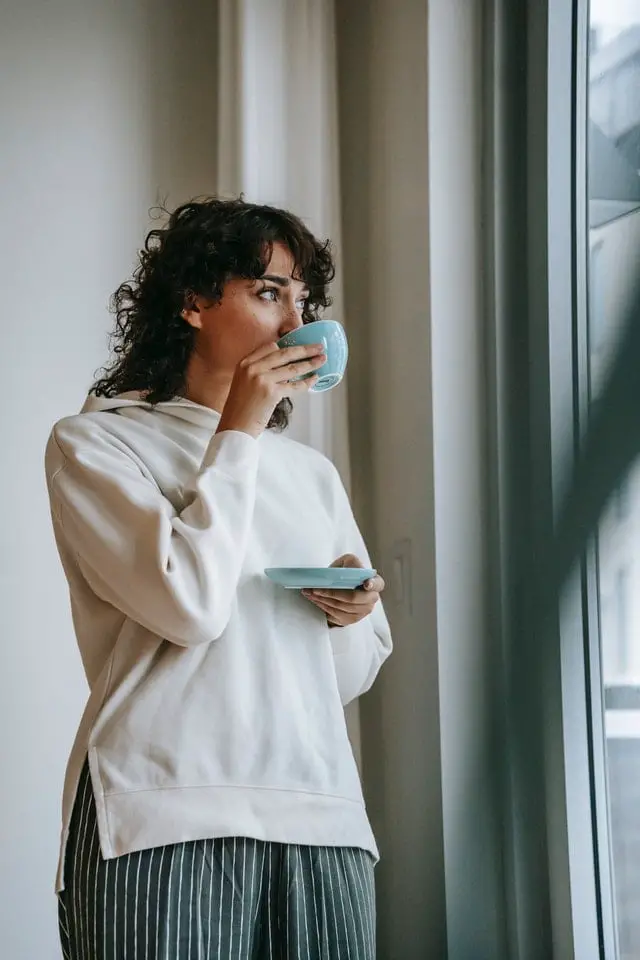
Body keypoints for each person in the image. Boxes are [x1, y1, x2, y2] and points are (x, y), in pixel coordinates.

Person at [45, 196, 392, 960]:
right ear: (193, 302)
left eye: (304, 300)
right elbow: (191, 609)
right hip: (162, 815)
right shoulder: (97, 445)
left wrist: (346, 616)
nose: (294, 321)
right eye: (269, 292)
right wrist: (239, 426)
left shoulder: (310, 474)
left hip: (323, 817)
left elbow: (346, 676)